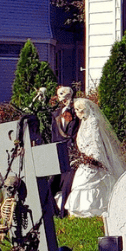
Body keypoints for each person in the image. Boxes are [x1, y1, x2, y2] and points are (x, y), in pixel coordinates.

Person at [65, 98, 126, 218]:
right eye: (76, 110)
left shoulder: (93, 121)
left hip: (94, 159)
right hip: (85, 159)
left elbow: (96, 141)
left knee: (89, 181)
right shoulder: (84, 122)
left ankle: (93, 211)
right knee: (80, 182)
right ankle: (82, 212)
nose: (78, 113)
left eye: (81, 110)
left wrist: (94, 159)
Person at [51, 86, 80, 217]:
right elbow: (54, 134)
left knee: (67, 185)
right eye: (59, 94)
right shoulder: (56, 114)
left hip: (72, 154)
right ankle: (51, 211)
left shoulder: (77, 112)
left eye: (63, 93)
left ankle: (64, 212)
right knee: (51, 184)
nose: (60, 96)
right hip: (58, 153)